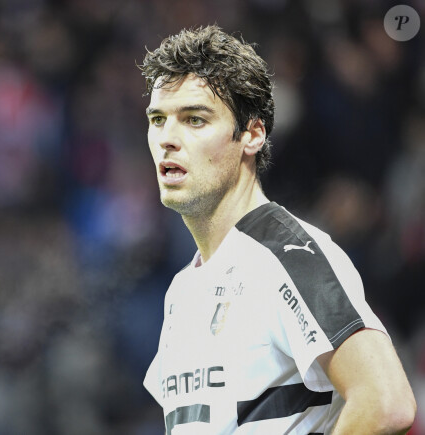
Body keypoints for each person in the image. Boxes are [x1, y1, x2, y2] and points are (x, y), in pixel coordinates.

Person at [139, 25, 416, 435]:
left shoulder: (287, 253)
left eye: (194, 119)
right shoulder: (181, 290)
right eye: (158, 120)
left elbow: (385, 402)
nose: (167, 139)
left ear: (252, 134)